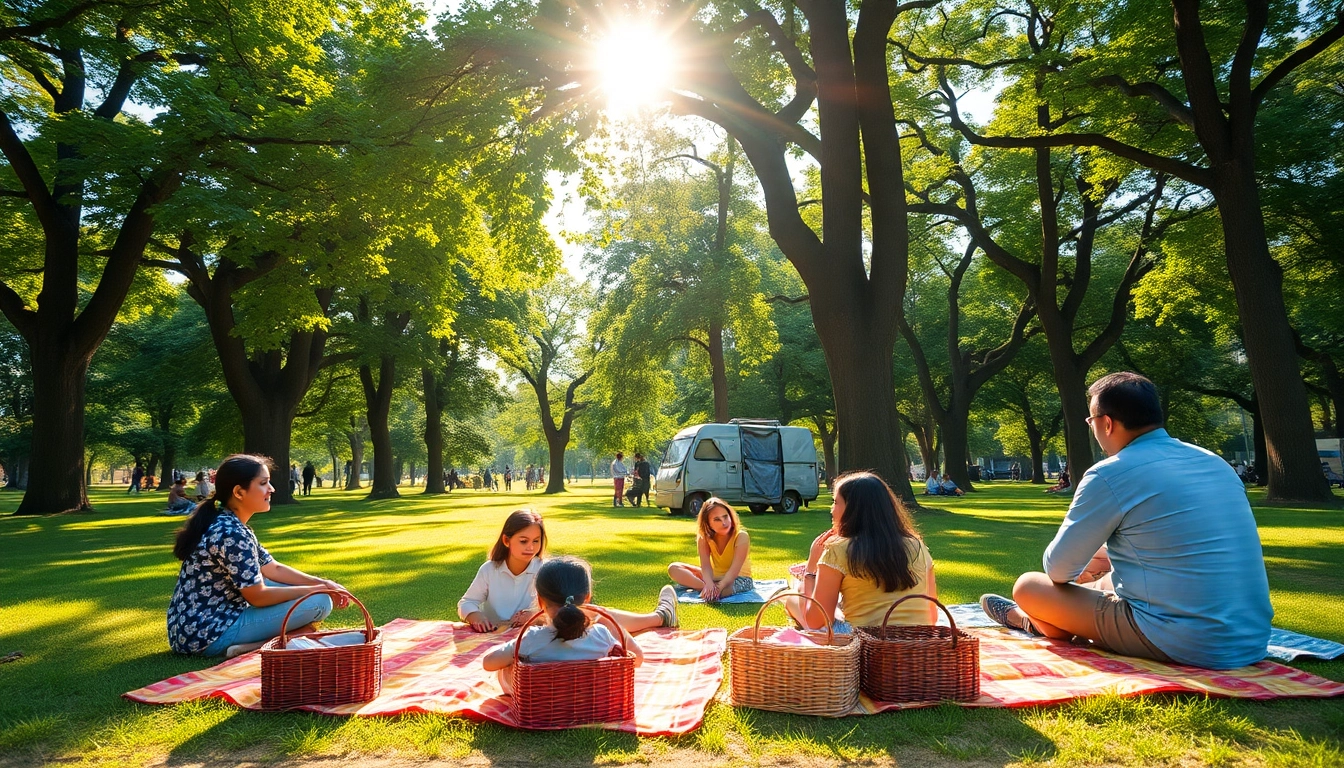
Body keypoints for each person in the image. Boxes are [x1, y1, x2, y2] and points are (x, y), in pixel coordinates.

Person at [980, 372, 1273, 670]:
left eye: (1091, 421)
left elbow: (1058, 569)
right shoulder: (1214, 462)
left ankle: (1027, 619)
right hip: (1250, 638)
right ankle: (1057, 616)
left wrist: (1089, 560)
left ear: (1106, 423)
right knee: (1098, 569)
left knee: (1029, 586)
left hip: (1183, 641)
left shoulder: (1109, 474)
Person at [166, 455, 350, 657]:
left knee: (302, 589)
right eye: (263, 483)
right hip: (208, 634)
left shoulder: (228, 523)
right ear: (238, 492)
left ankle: (281, 638)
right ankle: (261, 645)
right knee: (320, 602)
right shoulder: (232, 534)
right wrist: (317, 590)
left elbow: (273, 568)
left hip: (191, 629)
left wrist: (324, 583)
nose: (271, 489)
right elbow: (258, 596)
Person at [787, 471, 938, 630]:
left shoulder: (838, 550)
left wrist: (810, 570)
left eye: (835, 502)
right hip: (917, 641)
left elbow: (815, 622)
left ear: (853, 509)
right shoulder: (918, 546)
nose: (831, 509)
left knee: (792, 597)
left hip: (864, 644)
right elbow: (932, 616)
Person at [482, 556, 644, 695]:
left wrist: (511, 651)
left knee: (508, 665)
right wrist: (608, 620)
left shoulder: (531, 639)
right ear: (587, 598)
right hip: (589, 701)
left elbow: (488, 663)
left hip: (542, 705)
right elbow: (637, 658)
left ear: (539, 601)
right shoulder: (602, 635)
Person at [459, 509, 547, 632]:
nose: (531, 547)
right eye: (523, 541)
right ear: (506, 540)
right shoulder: (489, 570)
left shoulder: (546, 571)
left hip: (530, 638)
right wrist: (476, 616)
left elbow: (561, 611)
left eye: (536, 541)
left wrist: (535, 617)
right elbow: (467, 602)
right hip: (491, 636)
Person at [667, 497, 753, 601]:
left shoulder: (741, 536)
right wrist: (709, 584)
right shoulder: (704, 538)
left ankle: (708, 590)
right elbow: (706, 566)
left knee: (720, 592)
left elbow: (734, 571)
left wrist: (720, 586)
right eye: (717, 519)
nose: (724, 523)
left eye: (725, 517)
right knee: (673, 568)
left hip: (738, 578)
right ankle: (706, 589)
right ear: (708, 523)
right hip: (714, 577)